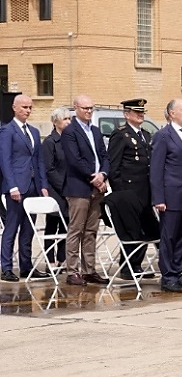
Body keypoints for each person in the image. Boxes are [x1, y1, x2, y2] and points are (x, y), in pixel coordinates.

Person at [151, 99, 182, 293]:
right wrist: (158, 198)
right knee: (169, 237)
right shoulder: (163, 136)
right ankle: (168, 276)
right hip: (171, 195)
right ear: (172, 113)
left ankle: (179, 273)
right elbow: (156, 169)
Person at [61, 95, 110, 286]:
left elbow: (104, 156)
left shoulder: (96, 131)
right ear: (75, 108)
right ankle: (73, 271)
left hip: (97, 188)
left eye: (91, 108)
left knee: (91, 230)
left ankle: (89, 270)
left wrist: (104, 174)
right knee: (76, 230)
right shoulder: (70, 132)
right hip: (79, 187)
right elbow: (75, 160)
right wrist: (94, 178)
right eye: (85, 108)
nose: (89, 111)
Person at [0, 94, 50, 282]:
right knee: (11, 227)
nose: (27, 111)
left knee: (29, 228)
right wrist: (11, 185)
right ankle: (6, 267)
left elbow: (39, 161)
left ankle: (26, 265)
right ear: (14, 108)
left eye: (30, 107)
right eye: (24, 107)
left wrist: (43, 185)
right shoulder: (7, 131)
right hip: (16, 187)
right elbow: (5, 160)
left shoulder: (34, 132)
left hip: (33, 186)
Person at [107, 98, 155, 280]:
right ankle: (128, 266)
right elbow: (114, 166)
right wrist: (121, 193)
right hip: (129, 190)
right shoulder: (120, 135)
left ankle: (137, 264)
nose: (141, 115)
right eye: (137, 112)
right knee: (131, 229)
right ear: (127, 114)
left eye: (142, 112)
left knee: (144, 228)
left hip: (145, 190)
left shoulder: (145, 135)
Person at [42, 107, 72, 272]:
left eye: (69, 119)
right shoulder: (50, 142)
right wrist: (63, 186)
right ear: (56, 122)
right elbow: (49, 168)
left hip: (70, 189)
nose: (68, 122)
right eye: (65, 119)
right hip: (56, 190)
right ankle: (49, 260)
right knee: (52, 225)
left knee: (66, 224)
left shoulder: (70, 140)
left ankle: (62, 257)